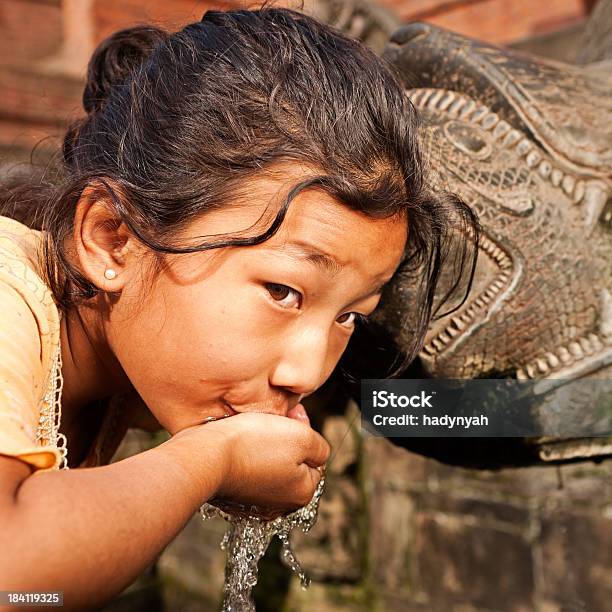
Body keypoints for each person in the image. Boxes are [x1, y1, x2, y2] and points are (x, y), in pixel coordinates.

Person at [0, 4, 478, 608]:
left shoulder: (130, 363)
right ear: (113, 238)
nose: (306, 372)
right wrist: (212, 460)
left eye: (348, 315)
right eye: (282, 291)